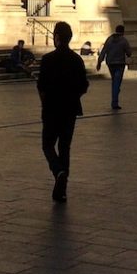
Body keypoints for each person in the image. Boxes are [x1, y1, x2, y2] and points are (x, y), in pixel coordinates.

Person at [36, 21, 88, 202]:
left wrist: (45, 104)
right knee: (64, 147)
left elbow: (41, 86)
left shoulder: (48, 59)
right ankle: (62, 189)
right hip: (70, 110)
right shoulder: (77, 60)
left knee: (47, 145)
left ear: (56, 37)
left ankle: (58, 171)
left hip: (51, 109)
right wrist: (73, 96)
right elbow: (84, 86)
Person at [97, 24, 132, 110]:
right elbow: (129, 53)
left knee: (114, 81)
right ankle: (115, 102)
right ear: (123, 32)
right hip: (120, 64)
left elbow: (103, 51)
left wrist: (99, 62)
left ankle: (115, 94)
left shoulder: (109, 39)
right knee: (117, 83)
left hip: (110, 63)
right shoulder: (124, 40)